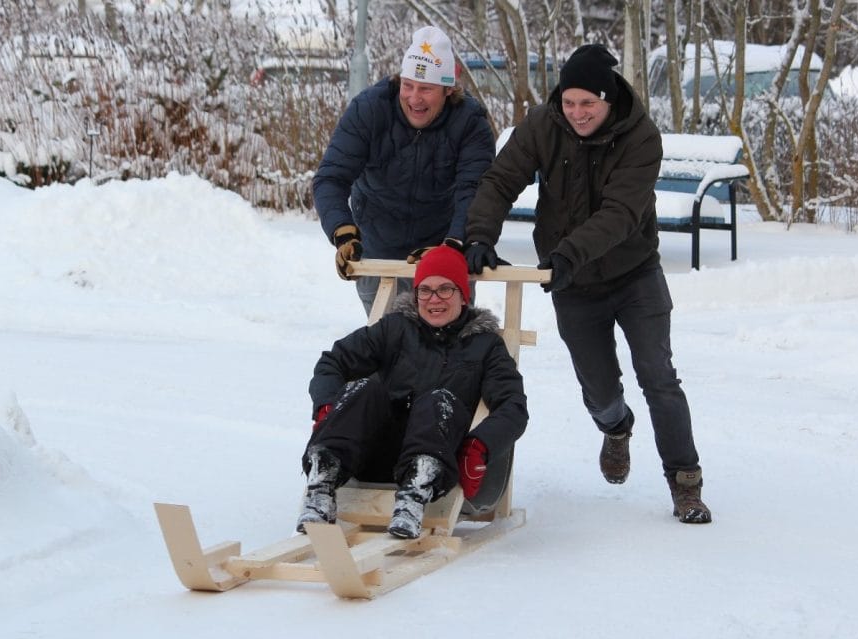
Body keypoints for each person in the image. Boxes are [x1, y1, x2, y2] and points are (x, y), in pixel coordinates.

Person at [462, 44, 712, 524]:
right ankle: (616, 428)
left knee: (658, 377)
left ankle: (686, 483)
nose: (577, 113)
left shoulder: (641, 137)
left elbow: (621, 213)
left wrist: (568, 254)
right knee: (599, 389)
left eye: (588, 104)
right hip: (573, 281)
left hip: (634, 272)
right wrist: (479, 236)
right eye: (570, 102)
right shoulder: (544, 123)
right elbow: (500, 180)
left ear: (608, 101)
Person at [297, 245, 527, 539]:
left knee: (437, 399)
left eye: (445, 289)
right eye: (425, 290)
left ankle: (412, 499)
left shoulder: (485, 346)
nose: (434, 300)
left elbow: (513, 406)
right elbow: (333, 362)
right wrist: (328, 408)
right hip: (375, 455)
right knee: (366, 389)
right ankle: (322, 482)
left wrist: (480, 446)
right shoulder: (396, 328)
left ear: (463, 295)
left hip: (435, 461)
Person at [312, 25, 496, 314]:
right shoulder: (370, 109)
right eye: (408, 85)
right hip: (378, 243)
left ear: (448, 89)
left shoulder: (470, 123)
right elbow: (331, 178)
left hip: (442, 244)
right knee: (389, 342)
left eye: (426, 89)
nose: (414, 98)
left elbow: (474, 190)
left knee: (448, 345)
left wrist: (453, 245)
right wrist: (343, 233)